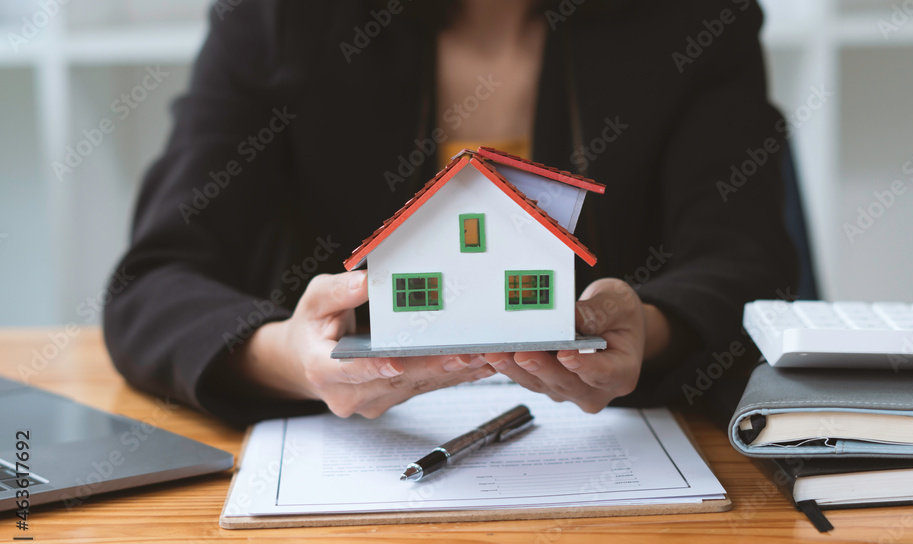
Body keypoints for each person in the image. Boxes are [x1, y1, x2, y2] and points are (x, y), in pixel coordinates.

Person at [103, 0, 798, 427]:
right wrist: (291, 357)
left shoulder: (699, 16)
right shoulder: (283, 16)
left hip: (627, 459)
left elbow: (747, 262)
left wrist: (649, 329)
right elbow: (157, 283)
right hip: (350, 456)